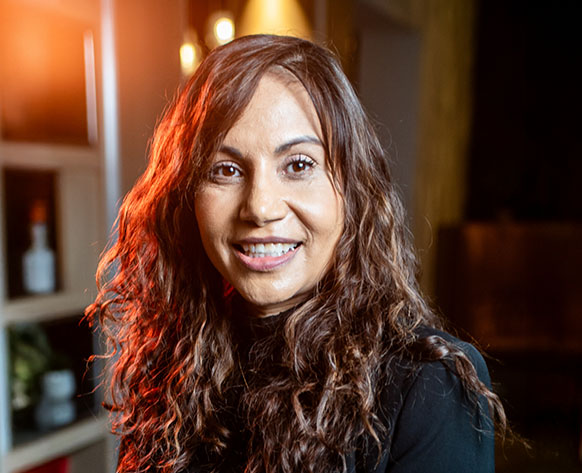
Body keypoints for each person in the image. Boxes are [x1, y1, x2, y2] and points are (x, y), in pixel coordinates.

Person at [88, 34, 505, 473]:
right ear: (187, 196)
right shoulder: (172, 369)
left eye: (299, 165)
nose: (260, 207)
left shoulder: (429, 387)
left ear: (352, 187)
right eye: (226, 169)